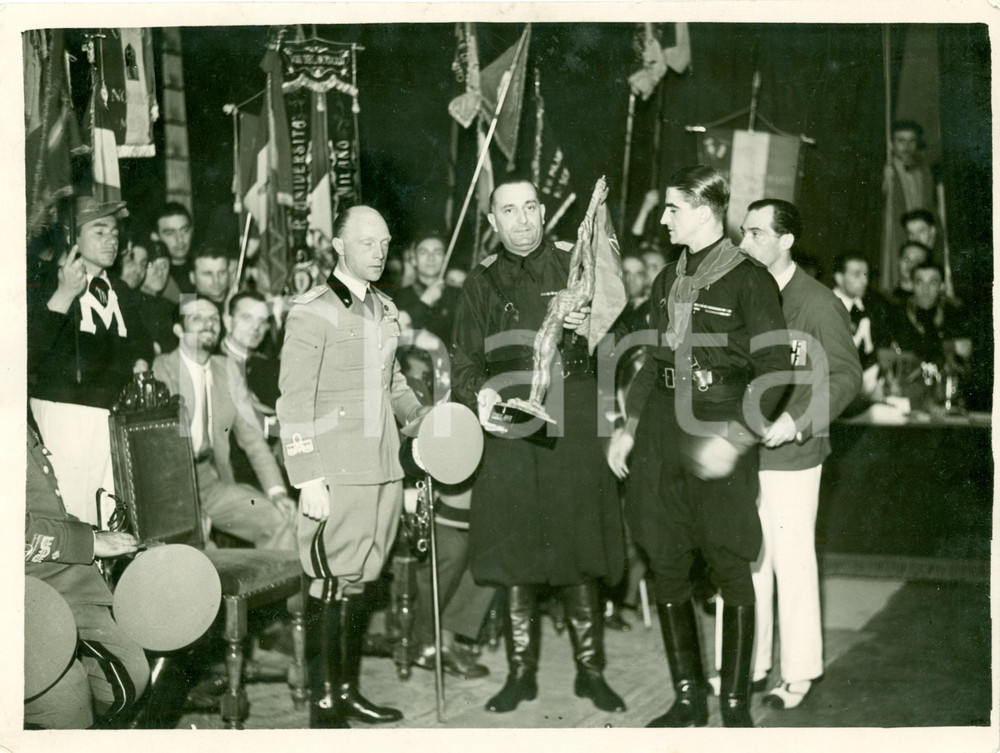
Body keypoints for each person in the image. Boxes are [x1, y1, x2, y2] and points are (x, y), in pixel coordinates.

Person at [606, 165, 788, 728]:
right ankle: (688, 699)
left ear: (705, 214)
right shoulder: (669, 278)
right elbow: (653, 360)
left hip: (720, 425)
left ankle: (734, 707)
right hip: (663, 425)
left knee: (729, 561)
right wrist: (630, 424)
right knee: (664, 558)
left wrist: (735, 440)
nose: (662, 219)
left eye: (671, 209)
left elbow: (777, 370)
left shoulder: (749, 280)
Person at [451, 178, 627, 715]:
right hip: (509, 422)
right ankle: (520, 673)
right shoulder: (480, 283)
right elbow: (462, 365)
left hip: (573, 415)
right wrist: (480, 396)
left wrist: (589, 328)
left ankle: (590, 672)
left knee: (578, 542)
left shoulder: (580, 264)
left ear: (544, 210)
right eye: (510, 210)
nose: (523, 218)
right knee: (514, 548)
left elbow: (619, 344)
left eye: (530, 207)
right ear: (493, 221)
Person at [277, 205, 429, 728]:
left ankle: (347, 691)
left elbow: (393, 386)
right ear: (338, 246)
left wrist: (422, 420)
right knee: (331, 584)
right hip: (336, 472)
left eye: (385, 242)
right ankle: (324, 706)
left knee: (362, 581)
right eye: (367, 242)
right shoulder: (311, 310)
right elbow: (292, 402)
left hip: (385, 467)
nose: (379, 251)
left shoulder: (386, 308)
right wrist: (307, 477)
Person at [738, 199, 861, 710]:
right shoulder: (744, 292)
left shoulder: (818, 302)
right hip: (745, 454)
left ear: (786, 241)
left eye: (756, 234)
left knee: (791, 561)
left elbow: (846, 377)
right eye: (742, 233)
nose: (743, 244)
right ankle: (751, 663)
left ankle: (800, 672)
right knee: (748, 561)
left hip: (795, 457)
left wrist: (797, 421)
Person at [28, 196, 153, 527]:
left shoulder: (122, 292)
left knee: (110, 510)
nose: (112, 240)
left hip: (110, 417)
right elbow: (29, 355)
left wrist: (141, 360)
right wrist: (65, 293)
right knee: (73, 511)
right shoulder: (43, 283)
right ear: (73, 238)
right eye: (100, 231)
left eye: (114, 232)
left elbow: (142, 343)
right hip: (65, 416)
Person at [25, 424, 149, 729]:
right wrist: (90, 543)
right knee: (67, 703)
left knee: (129, 675)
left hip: (54, 575)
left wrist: (96, 536)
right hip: (17, 595)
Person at [153, 297, 297, 551]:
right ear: (178, 329)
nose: (209, 324)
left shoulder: (227, 368)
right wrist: (191, 512)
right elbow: (161, 448)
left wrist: (277, 493)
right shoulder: (163, 367)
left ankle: (276, 592)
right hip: (173, 487)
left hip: (211, 481)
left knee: (280, 521)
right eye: (197, 318)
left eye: (213, 319)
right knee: (199, 551)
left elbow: (252, 438)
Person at [880, 120, 935, 295]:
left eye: (912, 141)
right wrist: (884, 181)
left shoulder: (923, 170)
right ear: (891, 143)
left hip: (919, 231)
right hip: (897, 231)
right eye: (901, 140)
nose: (907, 146)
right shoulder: (886, 168)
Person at [832, 252, 893, 400]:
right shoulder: (825, 307)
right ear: (839, 278)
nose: (864, 281)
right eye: (857, 275)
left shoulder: (875, 307)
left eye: (866, 274)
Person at [892, 261, 971, 368]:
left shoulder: (954, 312)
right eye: (920, 282)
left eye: (932, 282)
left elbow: (966, 349)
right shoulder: (897, 312)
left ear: (942, 286)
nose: (925, 289)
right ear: (911, 285)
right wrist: (950, 346)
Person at [394, 230, 461, 344]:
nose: (431, 258)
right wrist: (425, 302)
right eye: (424, 252)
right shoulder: (397, 297)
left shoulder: (460, 295)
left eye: (438, 252)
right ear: (414, 260)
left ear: (445, 259)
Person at [151, 202, 195, 303]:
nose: (180, 239)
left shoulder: (202, 265)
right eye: (170, 233)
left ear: (192, 231)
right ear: (155, 236)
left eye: (184, 231)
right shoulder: (153, 276)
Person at [189, 246, 231, 311]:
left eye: (221, 272)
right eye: (208, 274)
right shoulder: (186, 306)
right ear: (192, 277)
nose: (216, 280)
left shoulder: (240, 301)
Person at [890, 241, 931, 305]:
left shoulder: (933, 303)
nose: (911, 265)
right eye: (906, 259)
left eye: (917, 261)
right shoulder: (887, 299)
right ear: (899, 261)